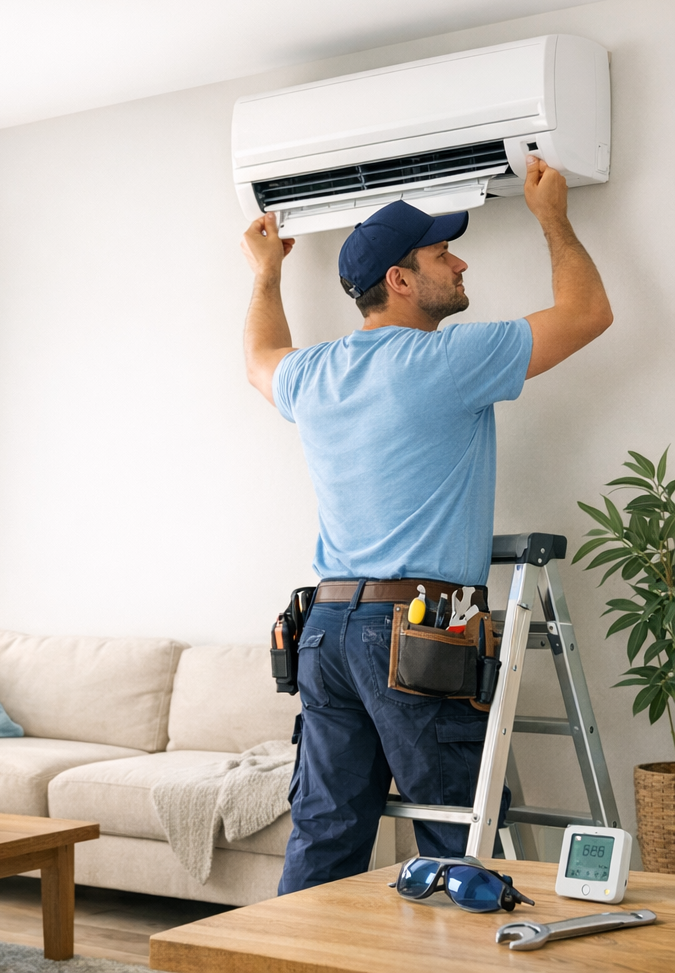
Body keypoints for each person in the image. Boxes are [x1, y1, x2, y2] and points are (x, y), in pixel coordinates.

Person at [240, 156, 612, 894]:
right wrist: (552, 218)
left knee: (327, 830)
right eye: (443, 254)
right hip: (414, 634)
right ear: (402, 281)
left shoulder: (314, 375)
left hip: (326, 630)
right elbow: (589, 315)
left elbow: (258, 358)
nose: (460, 260)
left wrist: (265, 274)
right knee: (456, 838)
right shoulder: (445, 359)